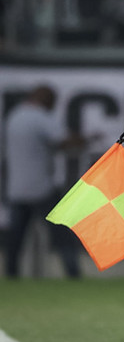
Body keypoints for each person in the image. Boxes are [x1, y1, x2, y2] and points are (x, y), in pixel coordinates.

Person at [4, 86, 84, 279]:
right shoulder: (40, 117)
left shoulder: (14, 117)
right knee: (61, 235)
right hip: (41, 188)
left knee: (15, 240)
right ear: (48, 100)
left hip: (16, 189)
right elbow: (64, 141)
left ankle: (11, 275)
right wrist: (85, 139)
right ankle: (73, 273)